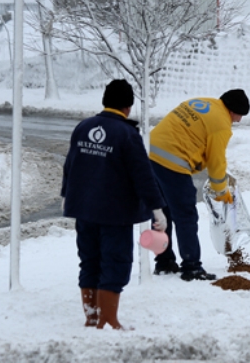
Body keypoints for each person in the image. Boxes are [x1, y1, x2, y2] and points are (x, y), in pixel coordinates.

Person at [61, 79, 167, 330]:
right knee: (115, 261)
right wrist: (157, 208)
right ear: (128, 107)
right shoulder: (127, 134)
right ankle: (108, 319)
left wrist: (67, 196)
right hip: (114, 213)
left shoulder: (83, 127)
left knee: (89, 261)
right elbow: (143, 175)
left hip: (84, 209)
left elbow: (70, 165)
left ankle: (92, 317)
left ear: (105, 101)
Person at [149, 89, 250, 281]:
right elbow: (216, 163)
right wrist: (221, 191)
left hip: (148, 154)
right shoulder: (221, 125)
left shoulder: (202, 103)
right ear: (232, 111)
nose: (239, 121)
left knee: (160, 212)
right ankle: (192, 267)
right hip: (172, 161)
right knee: (185, 214)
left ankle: (163, 263)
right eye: (240, 115)